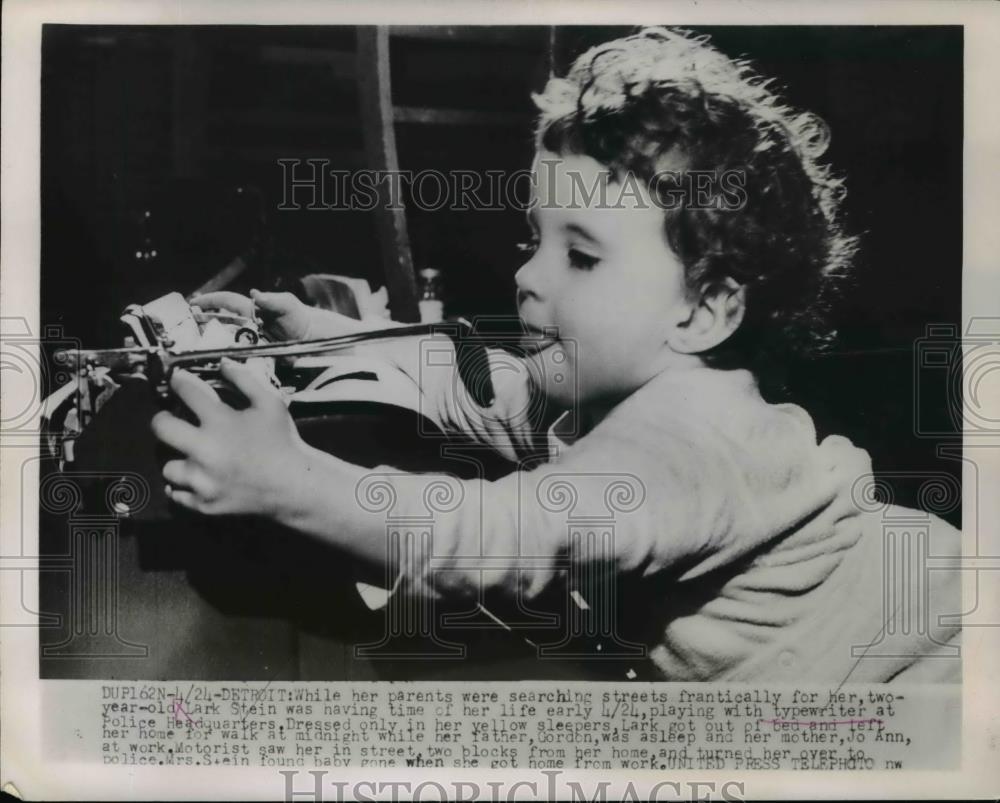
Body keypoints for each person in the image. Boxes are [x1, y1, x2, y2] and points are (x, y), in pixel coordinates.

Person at [153, 27, 960, 682]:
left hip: (926, 655)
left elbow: (494, 535)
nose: (527, 276)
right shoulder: (610, 386)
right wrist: (336, 343)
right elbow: (487, 393)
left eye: (581, 257)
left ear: (706, 309)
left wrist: (293, 480)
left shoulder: (686, 442)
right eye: (532, 238)